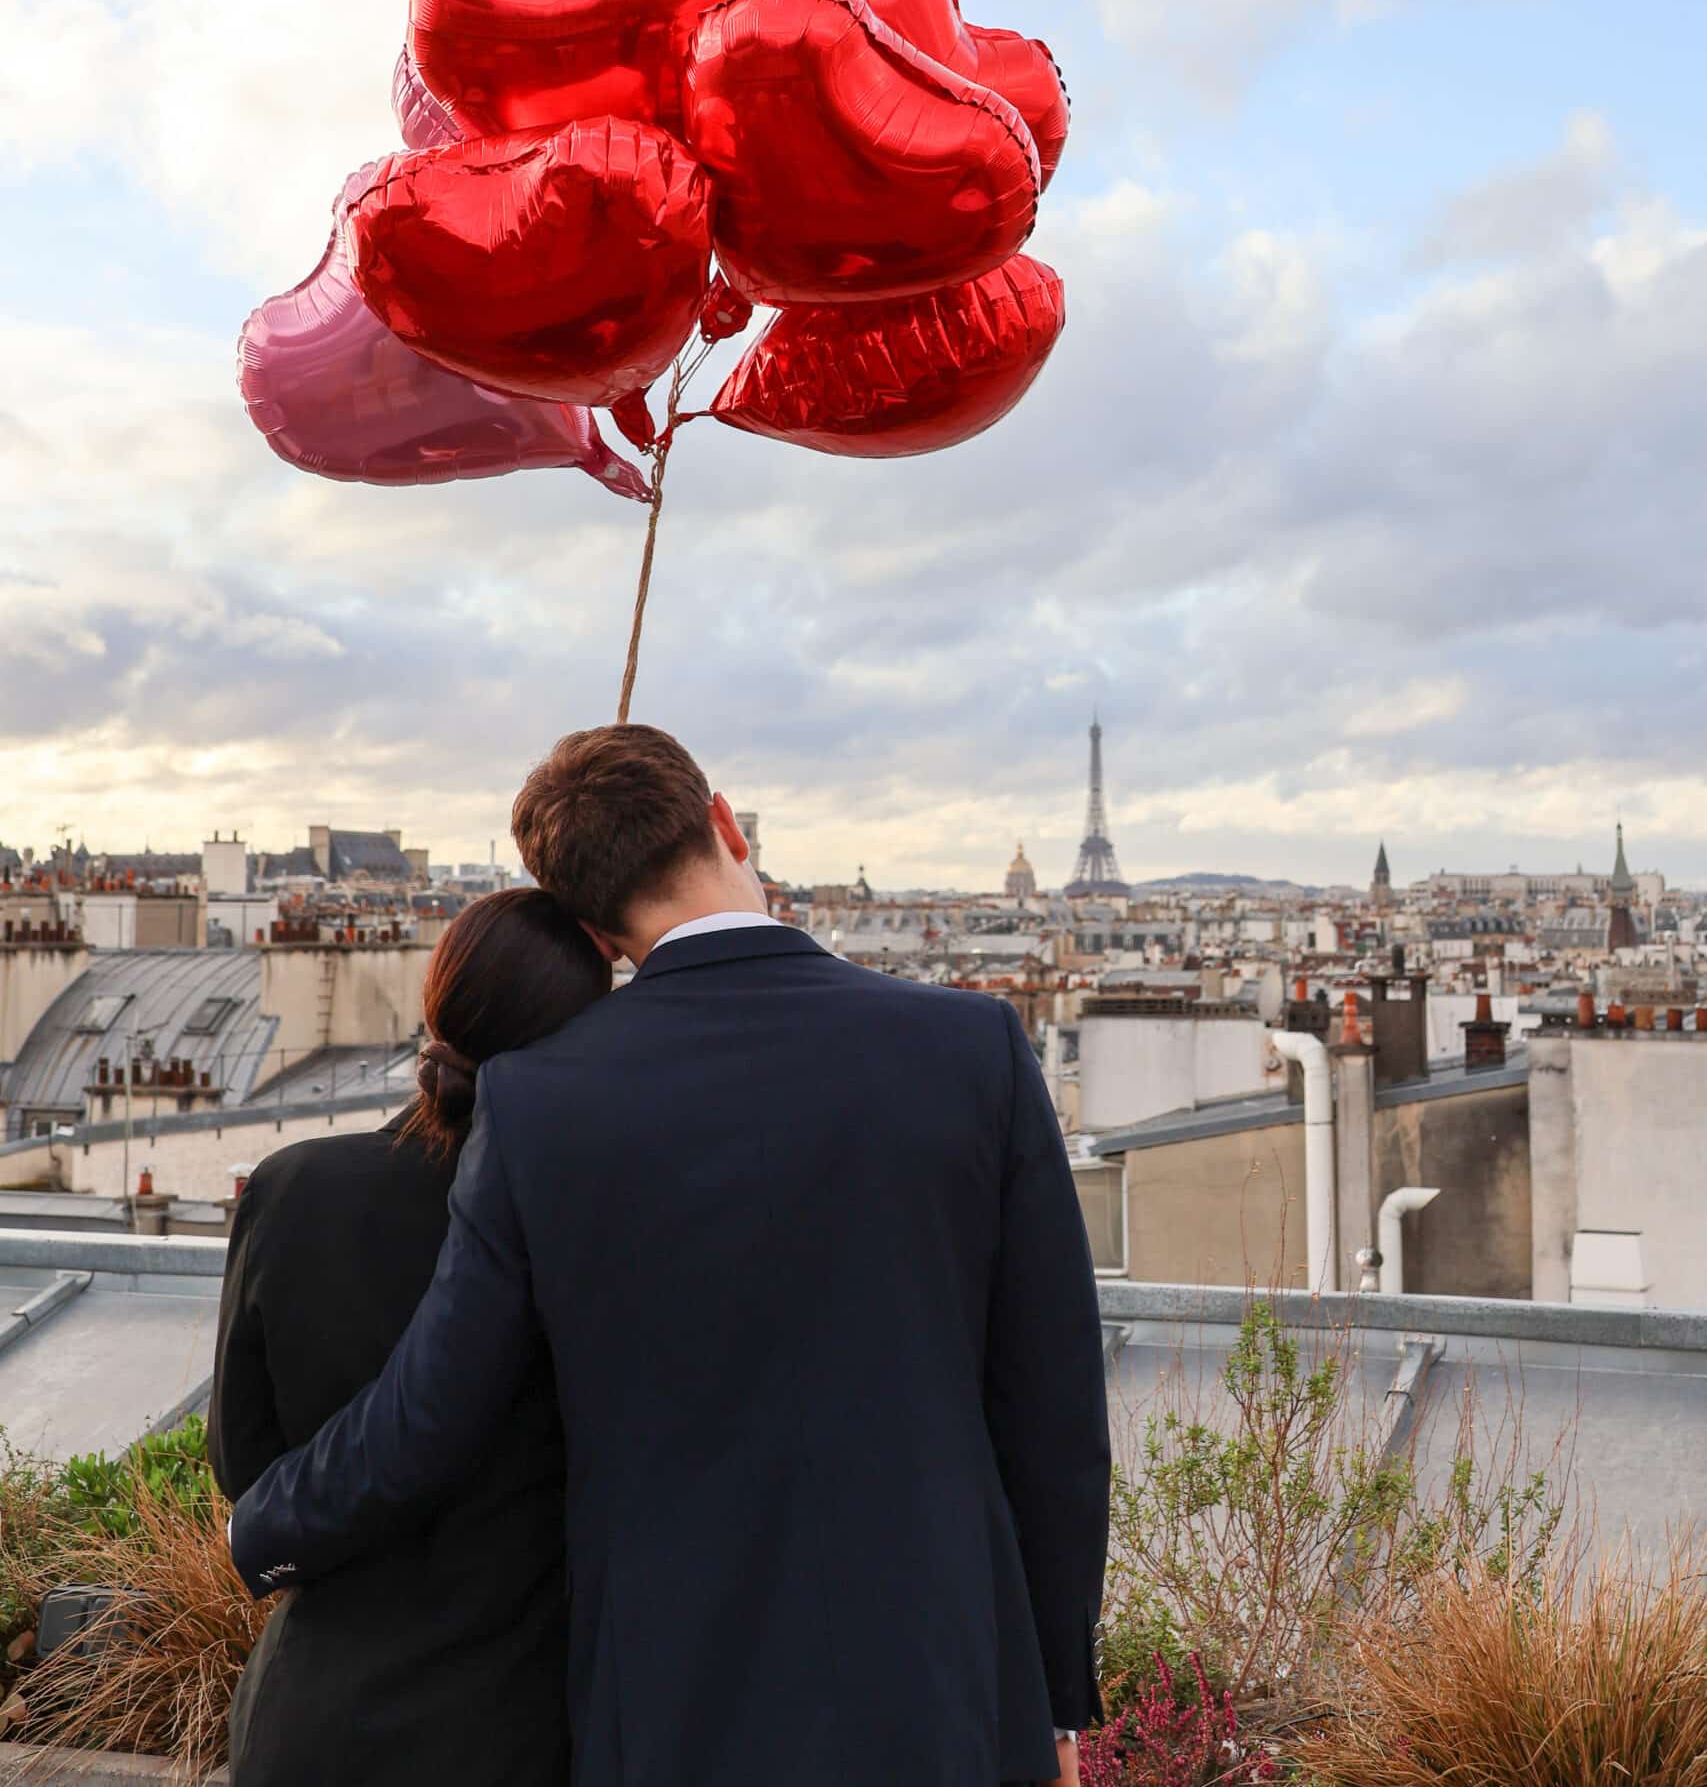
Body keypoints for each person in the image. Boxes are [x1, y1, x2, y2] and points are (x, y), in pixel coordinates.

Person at [230, 724, 1110, 1787]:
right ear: (726, 823)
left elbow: (429, 1412)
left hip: (671, 1696)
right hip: (940, 1683)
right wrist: (1056, 1701)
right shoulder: (972, 1047)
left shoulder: (539, 1101)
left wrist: (262, 1528)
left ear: (593, 929)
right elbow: (1053, 1411)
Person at [209, 888, 611, 1787]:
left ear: (436, 1004)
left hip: (315, 1719)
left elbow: (245, 1465)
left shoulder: (295, 1188)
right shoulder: (591, 1223)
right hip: (518, 1723)